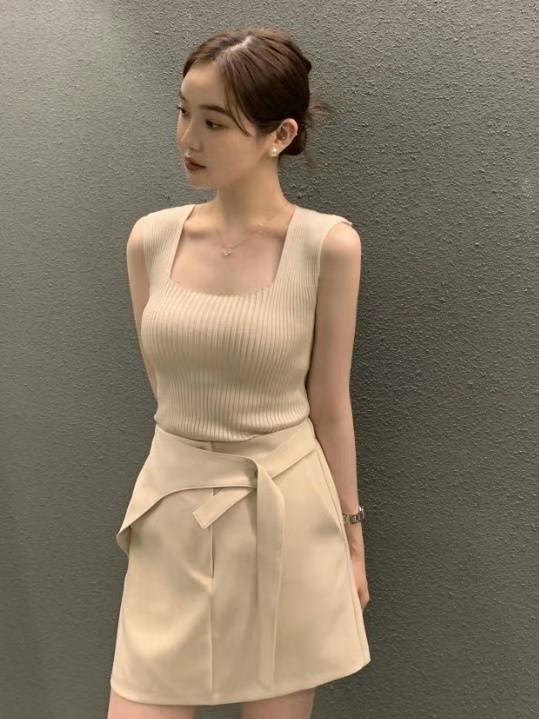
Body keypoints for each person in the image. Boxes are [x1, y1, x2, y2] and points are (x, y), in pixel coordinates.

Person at [107, 25, 370, 719]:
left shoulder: (327, 246)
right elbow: (168, 386)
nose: (187, 137)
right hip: (173, 512)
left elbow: (329, 403)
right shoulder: (150, 239)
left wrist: (351, 538)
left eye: (214, 122)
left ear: (279, 135)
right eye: (183, 112)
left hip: (286, 516)